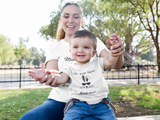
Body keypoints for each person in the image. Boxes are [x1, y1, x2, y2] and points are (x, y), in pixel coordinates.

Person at [20, 2, 124, 120]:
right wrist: (48, 76)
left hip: (88, 103)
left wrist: (117, 51)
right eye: (66, 16)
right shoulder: (54, 47)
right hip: (58, 101)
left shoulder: (93, 41)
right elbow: (54, 72)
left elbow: (114, 64)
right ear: (61, 20)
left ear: (82, 20)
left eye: (76, 16)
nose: (70, 20)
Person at [29, 30, 118, 120]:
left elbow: (110, 61)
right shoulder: (70, 68)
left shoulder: (98, 63)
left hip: (101, 105)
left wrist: (115, 51)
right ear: (70, 51)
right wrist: (46, 76)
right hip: (78, 106)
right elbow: (61, 78)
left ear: (94, 53)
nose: (80, 50)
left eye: (86, 47)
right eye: (76, 47)